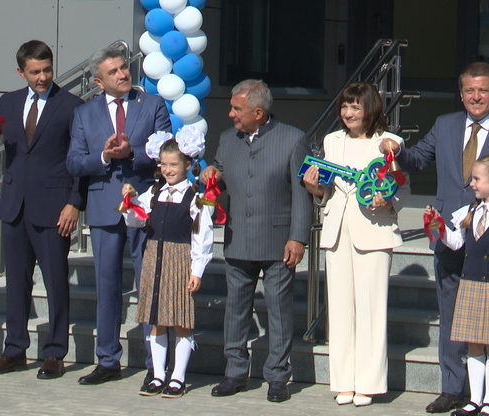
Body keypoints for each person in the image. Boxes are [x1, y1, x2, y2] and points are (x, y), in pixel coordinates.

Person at [380, 62, 489, 415]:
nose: (476, 97)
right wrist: (396, 150)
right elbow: (418, 159)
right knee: (453, 316)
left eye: (483, 90)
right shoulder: (445, 125)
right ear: (461, 93)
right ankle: (454, 390)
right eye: (469, 90)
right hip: (451, 236)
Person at [0, 40, 86, 379]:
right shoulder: (10, 101)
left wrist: (74, 202)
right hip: (15, 206)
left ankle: (54, 353)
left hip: (54, 208)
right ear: (21, 72)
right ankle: (15, 349)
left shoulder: (71, 105)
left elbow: (78, 161)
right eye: (35, 71)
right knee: (16, 283)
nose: (43, 76)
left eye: (47, 69)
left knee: (55, 284)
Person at [200, 79, 312, 403]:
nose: (231, 113)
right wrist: (212, 174)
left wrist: (298, 238)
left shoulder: (293, 139)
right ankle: (235, 371)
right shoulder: (226, 139)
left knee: (278, 310)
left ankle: (278, 376)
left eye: (237, 109)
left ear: (259, 112)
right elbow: (220, 173)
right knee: (235, 309)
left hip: (278, 242)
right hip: (238, 238)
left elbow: (301, 194)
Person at [67, 45, 171, 388]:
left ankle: (155, 366)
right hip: (103, 207)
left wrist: (134, 153)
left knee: (149, 286)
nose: (123, 74)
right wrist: (103, 156)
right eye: (113, 72)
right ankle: (107, 360)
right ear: (99, 81)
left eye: (123, 68)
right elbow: (74, 162)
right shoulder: (85, 113)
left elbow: (168, 152)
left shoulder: (152, 104)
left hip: (145, 206)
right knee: (107, 286)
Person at [302, 83, 410, 406]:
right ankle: (343, 381)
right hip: (338, 228)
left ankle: (369, 382)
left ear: (371, 110)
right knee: (340, 308)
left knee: (371, 308)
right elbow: (329, 191)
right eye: (345, 107)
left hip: (374, 231)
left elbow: (400, 186)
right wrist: (314, 189)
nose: (348, 113)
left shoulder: (385, 144)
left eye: (355, 107)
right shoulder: (331, 141)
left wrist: (386, 199)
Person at [426, 155, 489, 416]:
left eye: (476, 179)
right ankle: (474, 399)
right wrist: (438, 226)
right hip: (470, 286)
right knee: (472, 344)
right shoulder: (470, 212)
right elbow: (456, 243)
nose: (471, 183)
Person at [122, 129, 213, 398]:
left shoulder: (195, 197)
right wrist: (130, 202)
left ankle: (178, 376)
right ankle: (158, 375)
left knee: (181, 318)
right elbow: (138, 219)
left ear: (187, 165)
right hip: (154, 257)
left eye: (174, 165)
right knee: (156, 319)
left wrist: (197, 270)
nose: (168, 170)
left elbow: (202, 237)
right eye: (164, 165)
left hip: (180, 259)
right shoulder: (154, 192)